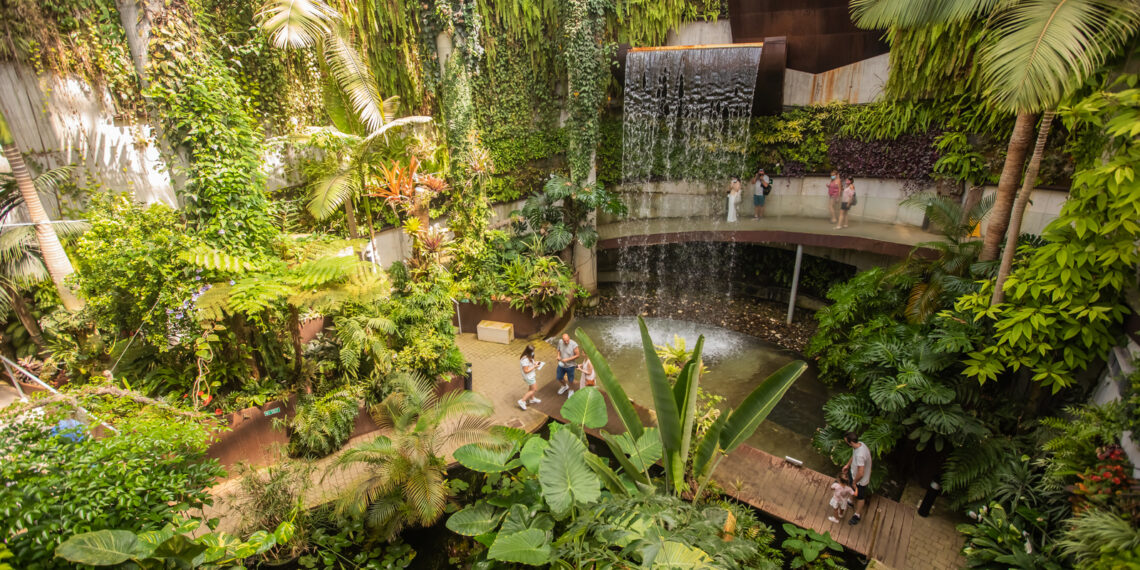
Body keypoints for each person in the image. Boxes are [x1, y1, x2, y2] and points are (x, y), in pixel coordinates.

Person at [842, 431, 872, 525]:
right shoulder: (860, 445)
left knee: (860, 496)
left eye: (846, 441)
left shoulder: (860, 455)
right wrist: (848, 465)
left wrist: (855, 482)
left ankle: (857, 515)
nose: (846, 442)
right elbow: (853, 455)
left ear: (851, 442)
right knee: (851, 487)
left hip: (860, 481)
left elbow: (861, 473)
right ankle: (850, 500)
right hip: (853, 473)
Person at [555, 333, 580, 397]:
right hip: (561, 364)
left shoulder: (574, 344)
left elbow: (577, 355)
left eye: (567, 340)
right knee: (559, 377)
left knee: (570, 380)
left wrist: (567, 359)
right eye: (564, 341)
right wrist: (558, 356)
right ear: (562, 339)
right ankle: (564, 386)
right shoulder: (560, 342)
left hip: (570, 366)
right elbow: (558, 350)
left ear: (569, 337)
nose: (566, 342)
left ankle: (571, 390)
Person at [517, 344, 542, 411]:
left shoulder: (529, 356)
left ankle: (532, 399)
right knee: (534, 389)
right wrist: (534, 367)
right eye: (532, 351)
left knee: (531, 388)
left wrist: (535, 363)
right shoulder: (524, 360)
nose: (533, 352)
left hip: (531, 375)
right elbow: (526, 371)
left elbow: (530, 364)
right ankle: (522, 401)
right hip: (529, 377)